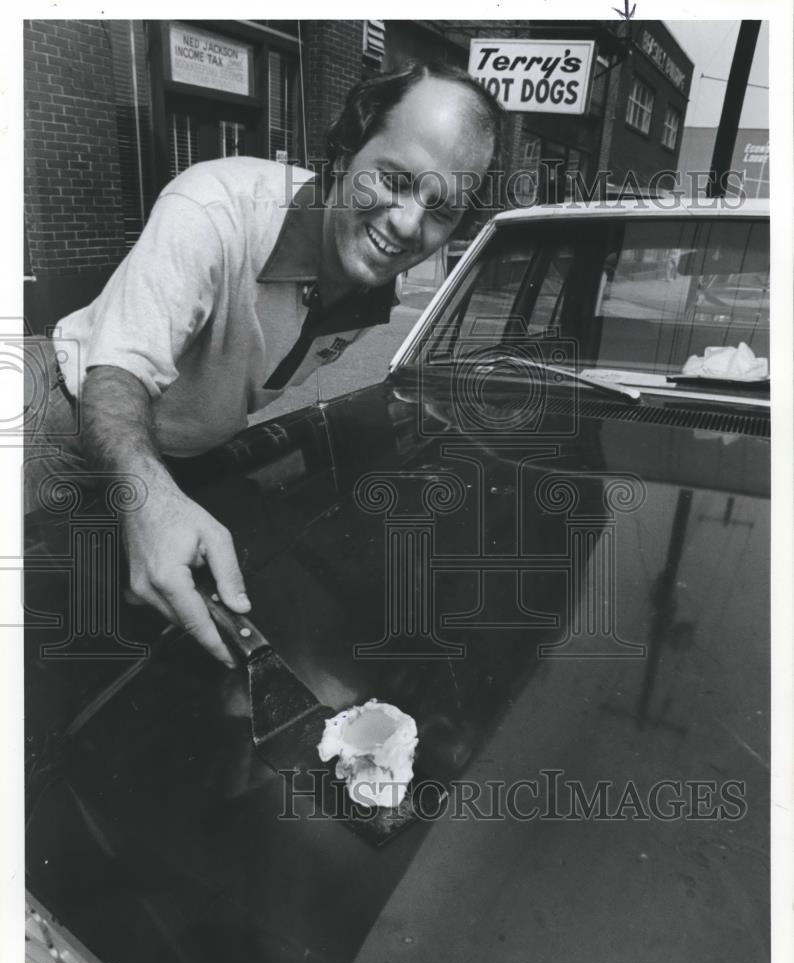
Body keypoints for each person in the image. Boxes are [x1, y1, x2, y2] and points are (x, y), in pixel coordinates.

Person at [26, 62, 503, 667]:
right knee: (55, 669)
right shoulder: (213, 207)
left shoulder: (372, 286)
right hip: (61, 427)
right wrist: (147, 496)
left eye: (442, 209)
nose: (408, 224)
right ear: (342, 154)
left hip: (183, 457)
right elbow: (117, 369)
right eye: (395, 179)